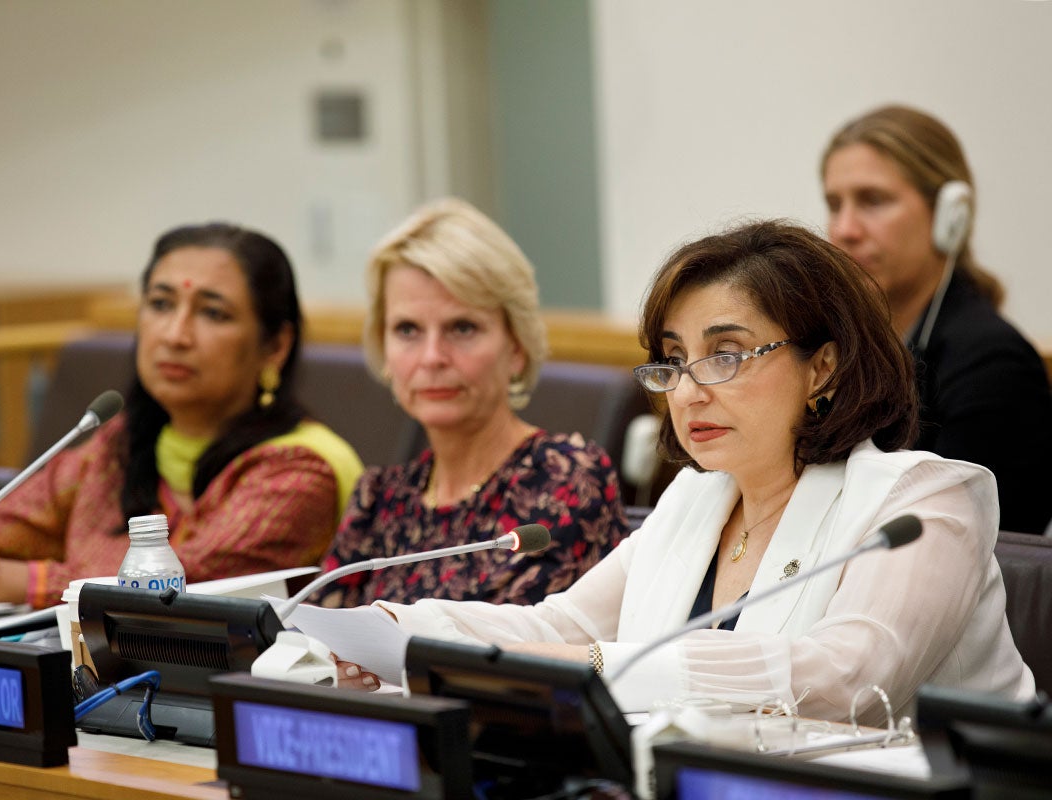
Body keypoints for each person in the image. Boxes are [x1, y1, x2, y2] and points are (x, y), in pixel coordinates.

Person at [346, 220, 1034, 726]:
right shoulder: (696, 499)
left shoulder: (921, 500)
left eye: (727, 355)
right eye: (674, 361)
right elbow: (560, 625)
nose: (689, 390)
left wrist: (603, 665)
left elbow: (851, 677)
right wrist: (394, 627)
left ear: (822, 366)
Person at [0, 222, 363, 608]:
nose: (175, 334)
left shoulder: (302, 471)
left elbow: (159, 596)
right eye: (161, 304)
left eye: (213, 313)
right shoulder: (118, 444)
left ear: (275, 344)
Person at [313, 198, 628, 608]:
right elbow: (314, 641)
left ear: (516, 346)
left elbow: (502, 653)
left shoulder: (563, 480)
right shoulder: (379, 500)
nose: (431, 357)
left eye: (462, 328)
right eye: (407, 330)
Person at [822, 104, 1052, 534]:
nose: (844, 229)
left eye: (872, 201)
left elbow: (970, 545)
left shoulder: (992, 363)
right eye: (835, 204)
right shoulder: (836, 351)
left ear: (951, 216)